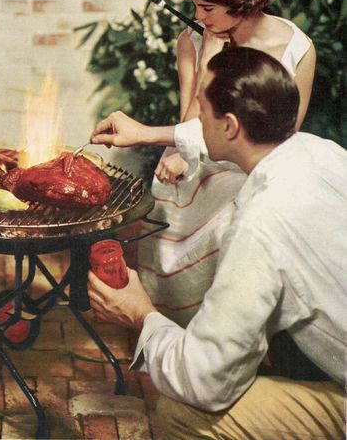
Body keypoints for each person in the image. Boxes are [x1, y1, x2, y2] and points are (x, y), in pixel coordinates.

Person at [88, 48, 346, 440]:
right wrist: (146, 131)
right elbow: (201, 138)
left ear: (229, 126)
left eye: (201, 111)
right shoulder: (321, 152)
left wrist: (141, 314)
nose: (195, 120)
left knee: (182, 410)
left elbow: (204, 379)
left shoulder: (262, 223)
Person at [139, 0, 316, 327]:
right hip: (197, 156)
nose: (199, 17)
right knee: (170, 185)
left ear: (240, 0)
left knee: (236, 212)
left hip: (255, 169)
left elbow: (286, 139)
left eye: (207, 8)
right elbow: (190, 122)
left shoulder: (297, 48)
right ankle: (179, 331)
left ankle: (232, 333)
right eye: (195, 7)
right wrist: (208, 58)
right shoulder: (194, 40)